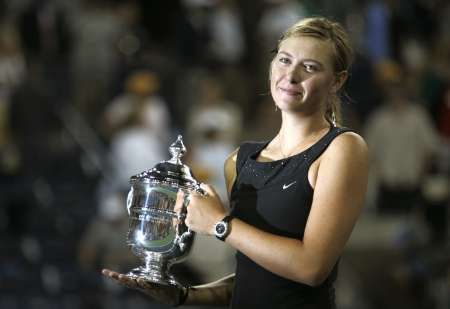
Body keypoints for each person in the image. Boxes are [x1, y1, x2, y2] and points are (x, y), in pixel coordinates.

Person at [102, 16, 369, 308]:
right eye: (284, 60)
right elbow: (255, 277)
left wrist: (219, 223)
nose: (291, 76)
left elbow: (311, 268)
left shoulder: (342, 148)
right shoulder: (239, 161)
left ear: (337, 81)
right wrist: (185, 295)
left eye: (309, 67)